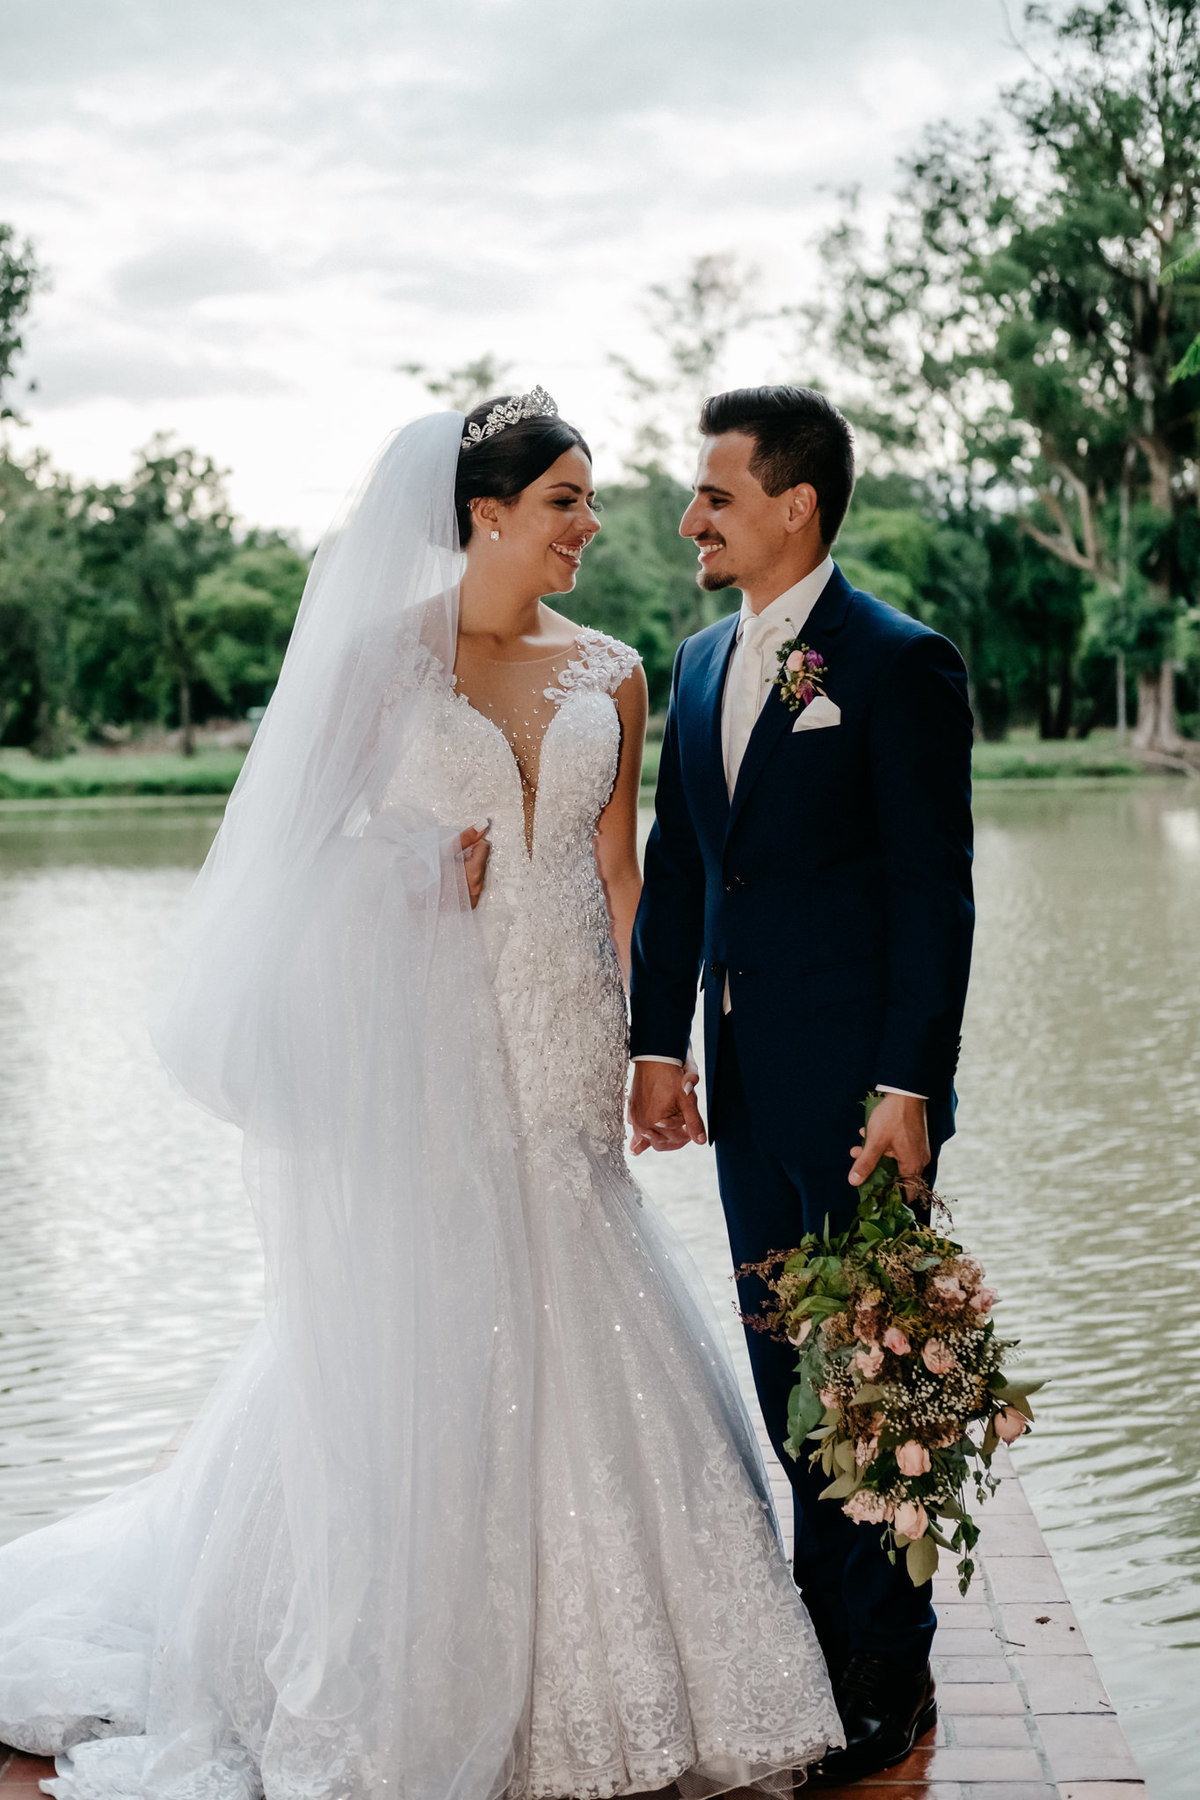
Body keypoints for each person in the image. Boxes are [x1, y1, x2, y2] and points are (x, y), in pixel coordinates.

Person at [0, 392, 840, 1800]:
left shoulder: (618, 673)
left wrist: (656, 1048)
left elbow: (620, 874)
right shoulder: (378, 665)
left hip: (568, 1032)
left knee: (581, 1290)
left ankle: (639, 1682)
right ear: (486, 512)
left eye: (589, 497)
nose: (591, 525)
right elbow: (286, 867)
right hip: (433, 1038)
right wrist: (400, 884)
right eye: (565, 499)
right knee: (430, 1314)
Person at [628, 385, 974, 1787]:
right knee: (790, 1382)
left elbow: (933, 896)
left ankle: (889, 1672)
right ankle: (827, 1645)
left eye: (714, 493)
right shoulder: (704, 663)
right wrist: (658, 1050)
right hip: (745, 1096)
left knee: (874, 1386)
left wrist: (910, 1083)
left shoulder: (896, 663)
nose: (692, 515)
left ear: (794, 507)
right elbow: (683, 881)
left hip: (857, 1101)